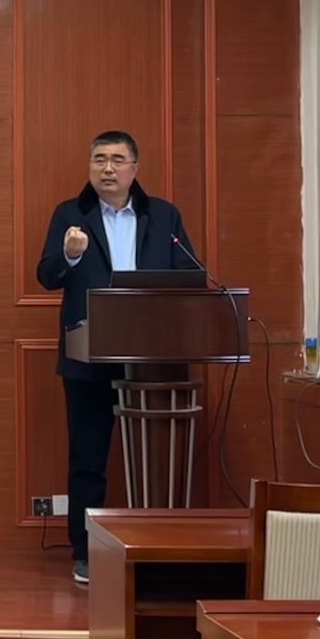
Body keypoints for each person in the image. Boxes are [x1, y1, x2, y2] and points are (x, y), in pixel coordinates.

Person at [35, 130, 200, 584]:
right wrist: (69, 255)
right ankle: (86, 553)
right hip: (87, 357)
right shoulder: (70, 214)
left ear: (134, 168)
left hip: (153, 358)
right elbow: (46, 275)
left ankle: (160, 546)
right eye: (99, 159)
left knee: (156, 459)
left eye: (117, 159)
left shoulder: (163, 215)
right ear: (90, 167)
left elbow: (189, 274)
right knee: (87, 458)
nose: (108, 168)